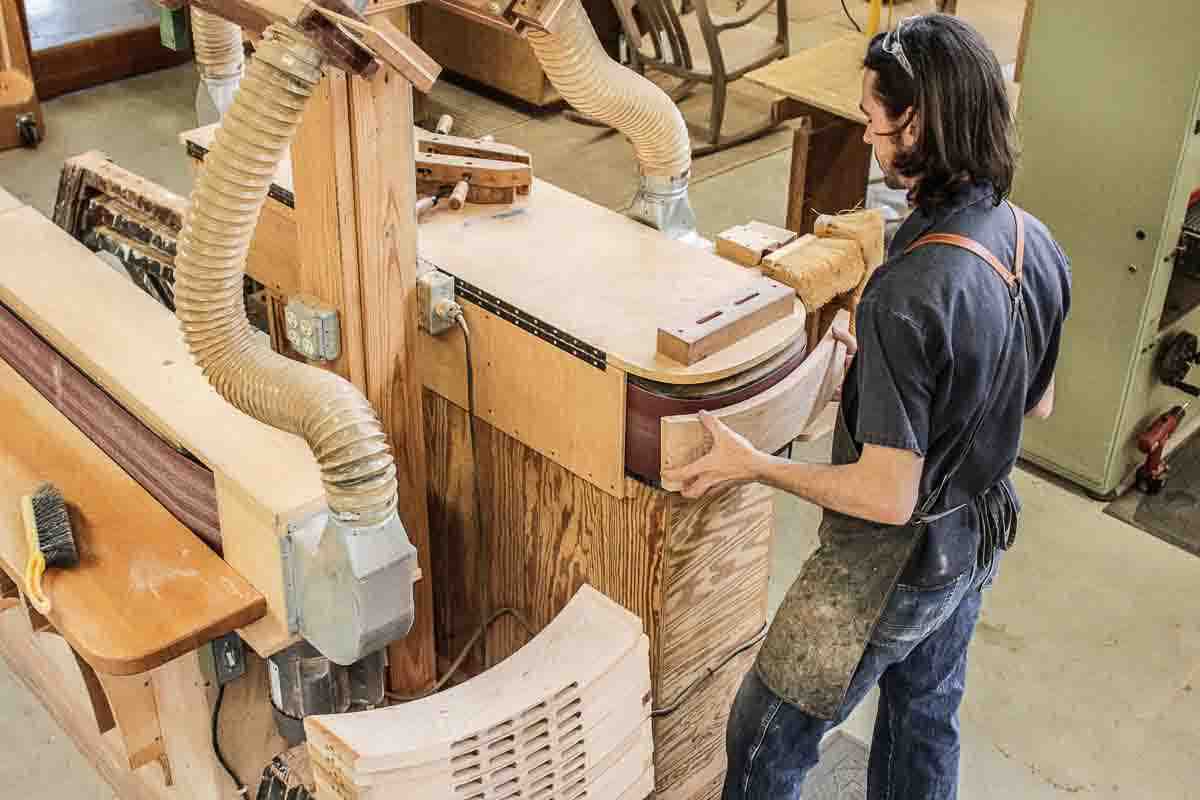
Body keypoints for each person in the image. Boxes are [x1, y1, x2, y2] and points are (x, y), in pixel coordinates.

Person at [661, 14, 1072, 800]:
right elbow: (1036, 402)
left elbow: (887, 495)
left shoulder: (906, 293)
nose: (866, 135)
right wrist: (898, 387)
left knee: (762, 739)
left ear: (917, 122)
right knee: (924, 714)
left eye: (873, 119)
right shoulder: (1033, 240)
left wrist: (752, 465)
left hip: (896, 564)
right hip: (978, 531)